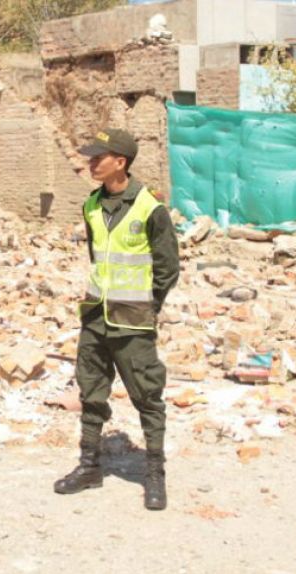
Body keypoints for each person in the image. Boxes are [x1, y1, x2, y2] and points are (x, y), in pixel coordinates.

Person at [53, 128, 180, 511]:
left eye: (99, 157)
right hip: (95, 316)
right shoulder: (91, 205)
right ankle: (89, 466)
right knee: (91, 393)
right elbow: (98, 257)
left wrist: (147, 306)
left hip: (133, 321)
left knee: (147, 396)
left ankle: (154, 474)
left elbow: (167, 267)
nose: (91, 163)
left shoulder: (149, 207)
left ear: (120, 163)